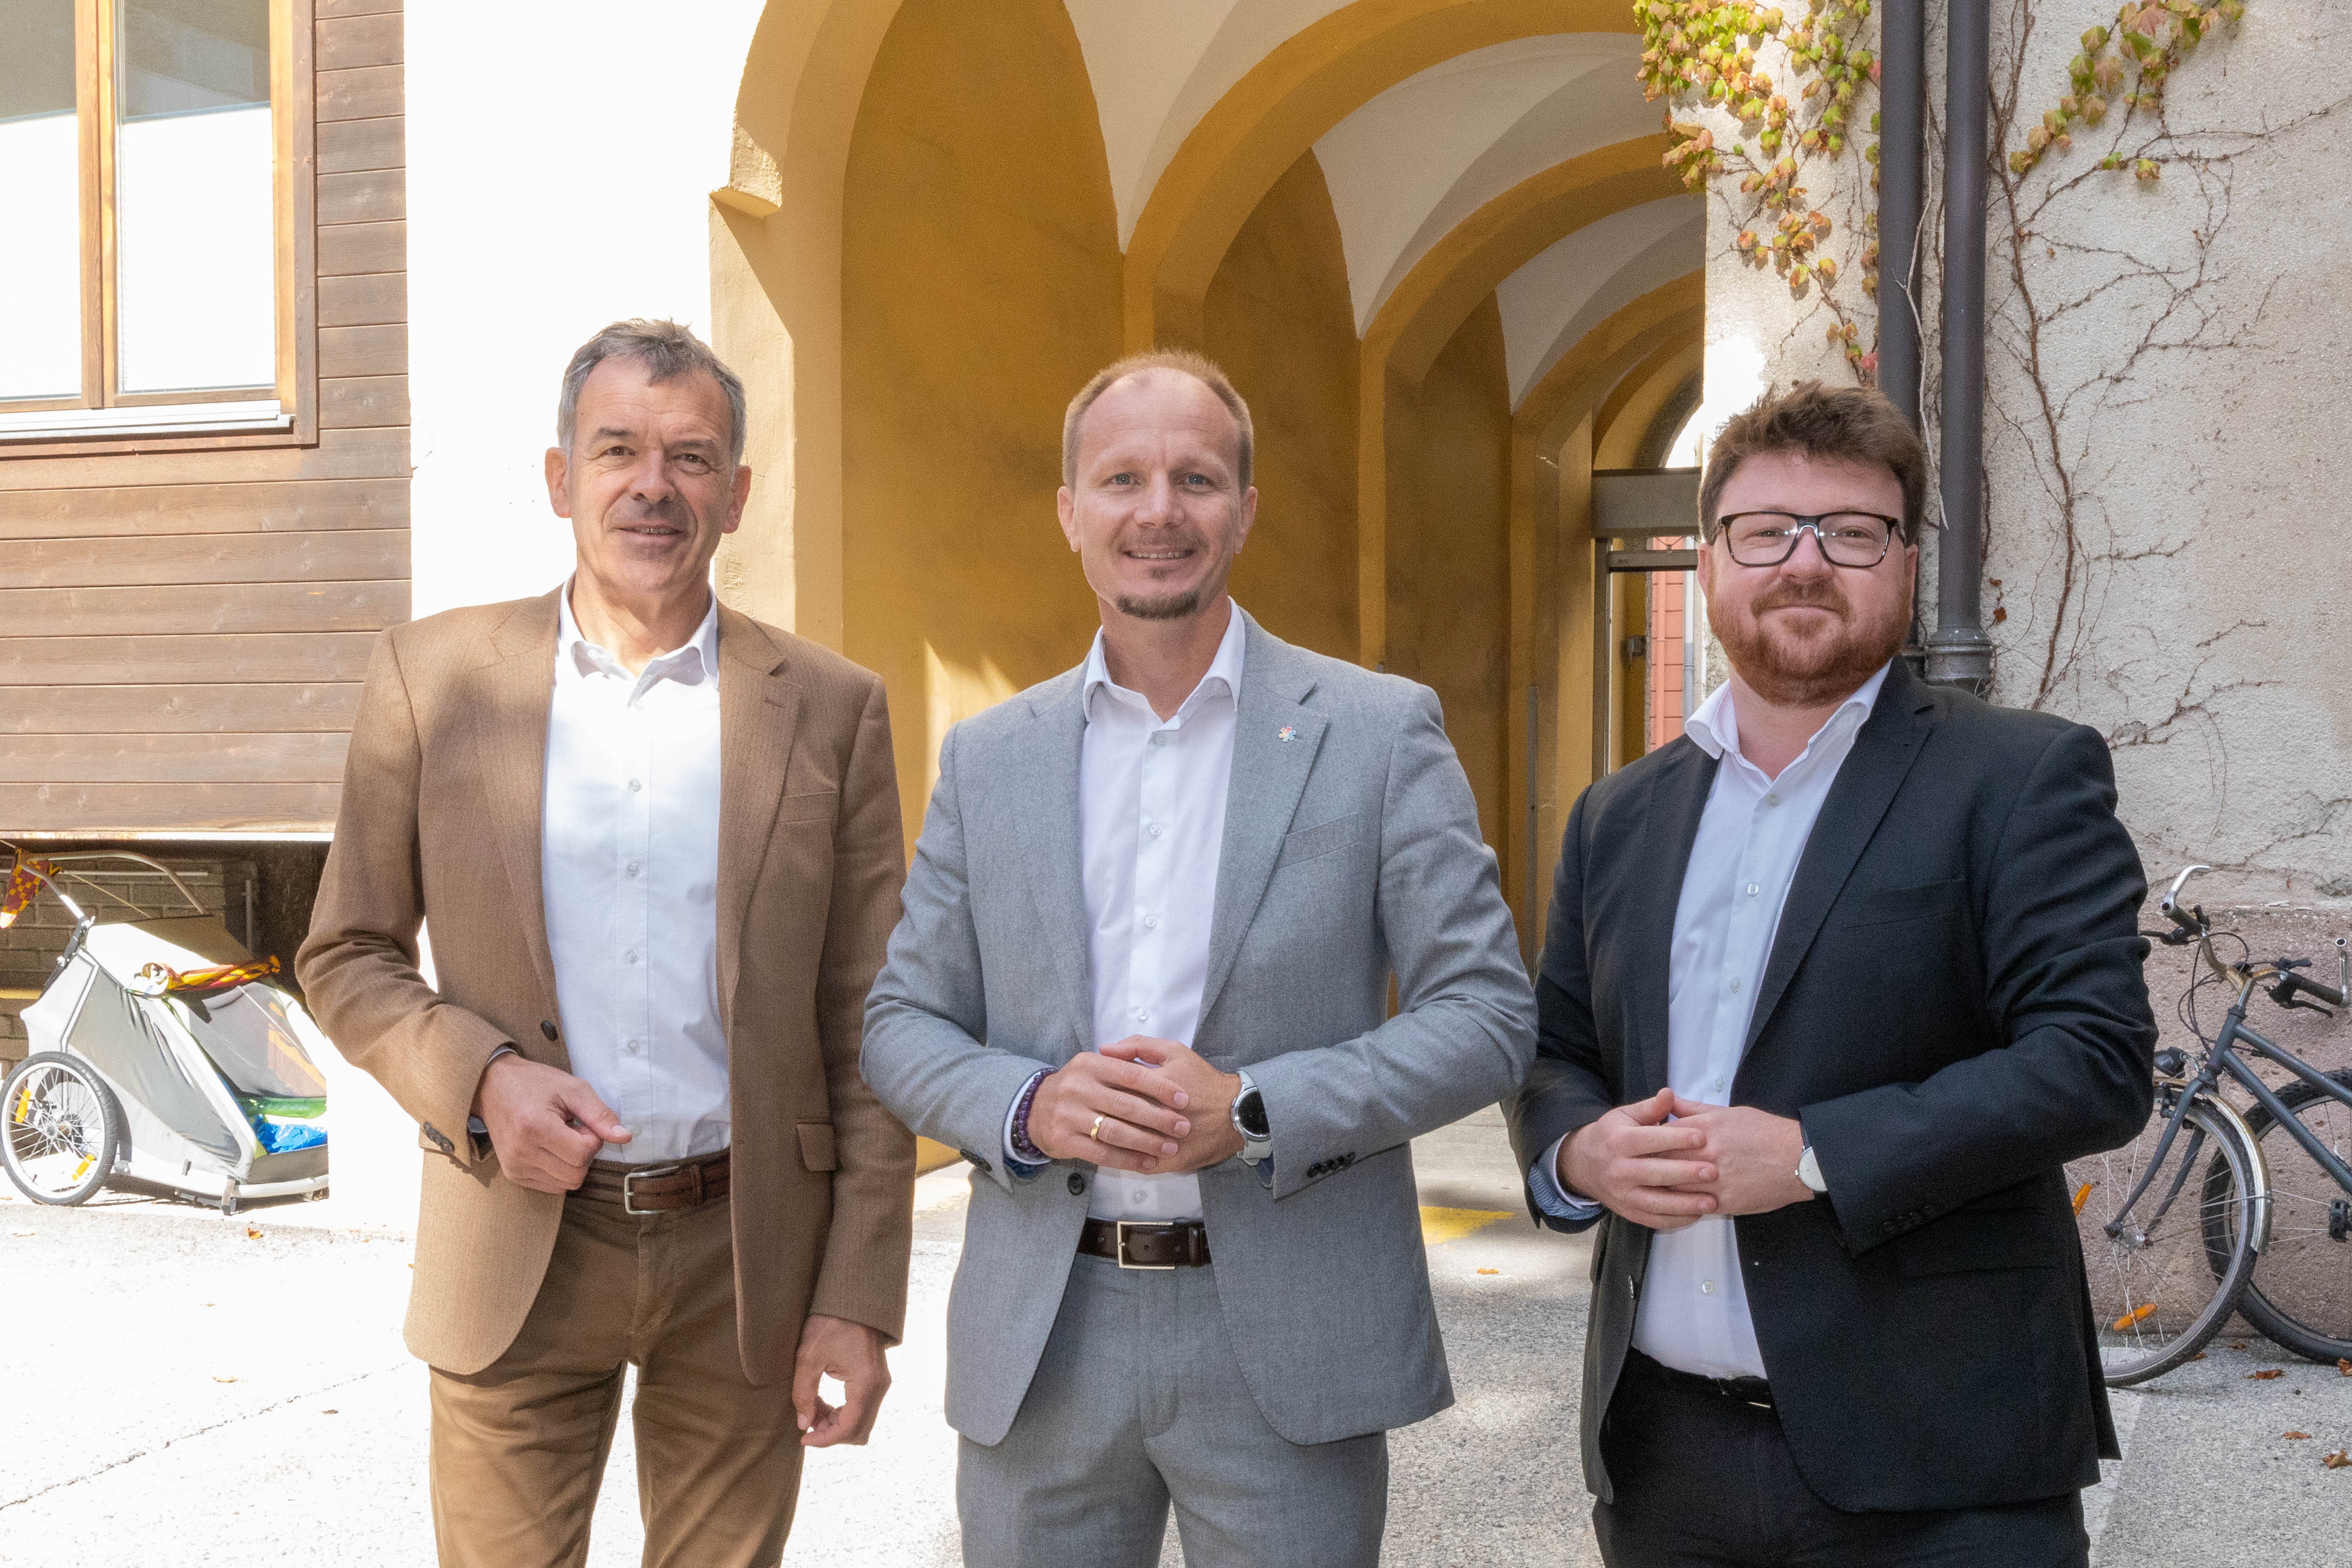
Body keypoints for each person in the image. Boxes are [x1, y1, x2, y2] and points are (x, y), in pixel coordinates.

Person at [860, 349, 1535, 1567]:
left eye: (1196, 478)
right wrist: (1029, 1102)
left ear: (1246, 511)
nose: (1158, 511)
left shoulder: (1379, 733)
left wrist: (1264, 1108)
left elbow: (1487, 1013)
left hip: (1286, 1327)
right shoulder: (990, 758)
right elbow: (903, 1021)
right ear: (1070, 513)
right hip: (1048, 1334)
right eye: (1121, 478)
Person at [1505, 382, 2156, 1566]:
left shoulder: (2020, 778)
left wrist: (1812, 1156)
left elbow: (2094, 1064)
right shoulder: (1618, 817)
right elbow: (1558, 1056)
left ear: (1904, 566)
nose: (1805, 563)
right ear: (1709, 563)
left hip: (1943, 1461)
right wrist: (1576, 1153)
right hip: (1664, 1461)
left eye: (1852, 532)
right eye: (1765, 531)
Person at [298, 319, 913, 1568]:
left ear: (737, 494)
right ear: (559, 478)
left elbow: (871, 1024)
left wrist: (857, 1297)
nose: (652, 486)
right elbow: (346, 952)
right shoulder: (433, 680)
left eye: (691, 458)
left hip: (745, 1253)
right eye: (618, 448)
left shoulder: (832, 710)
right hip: (516, 1239)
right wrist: (478, 1079)